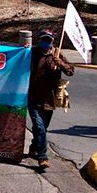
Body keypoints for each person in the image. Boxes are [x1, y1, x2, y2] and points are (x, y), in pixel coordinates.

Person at [28, 30, 75, 169]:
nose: (46, 42)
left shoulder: (57, 54)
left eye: (49, 40)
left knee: (43, 128)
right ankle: (42, 156)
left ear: (52, 41)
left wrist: (60, 63)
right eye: (44, 39)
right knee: (39, 126)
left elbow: (70, 71)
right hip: (33, 96)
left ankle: (34, 147)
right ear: (39, 39)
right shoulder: (33, 52)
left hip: (50, 98)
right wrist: (24, 49)